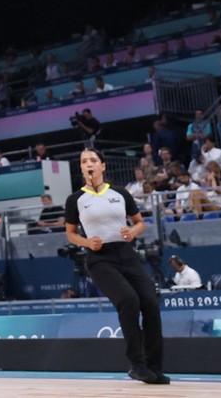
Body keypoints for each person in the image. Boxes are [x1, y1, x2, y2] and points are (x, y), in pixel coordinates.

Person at [64, 148, 166, 384]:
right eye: (83, 161)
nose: (88, 163)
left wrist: (132, 231)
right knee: (129, 300)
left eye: (93, 160)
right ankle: (137, 365)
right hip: (99, 259)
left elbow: (140, 223)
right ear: (81, 168)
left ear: (103, 166)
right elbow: (70, 234)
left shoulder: (120, 193)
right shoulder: (75, 199)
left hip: (126, 253)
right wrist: (87, 241)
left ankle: (155, 366)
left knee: (150, 301)